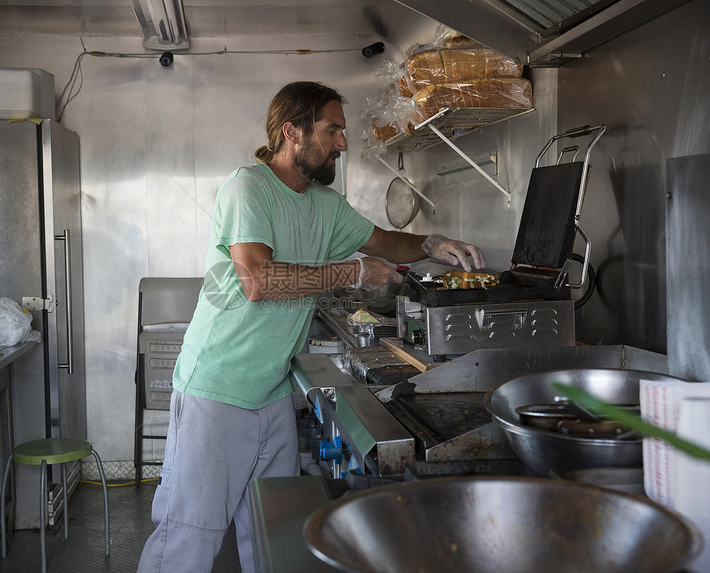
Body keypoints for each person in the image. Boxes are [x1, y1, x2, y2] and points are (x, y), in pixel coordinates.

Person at [136, 81, 484, 573]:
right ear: (292, 132)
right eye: (333, 130)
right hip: (217, 392)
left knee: (273, 534)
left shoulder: (323, 204)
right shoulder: (248, 187)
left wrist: (431, 243)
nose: (343, 143)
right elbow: (257, 280)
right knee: (187, 540)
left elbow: (383, 241)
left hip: (274, 393)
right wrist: (352, 272)